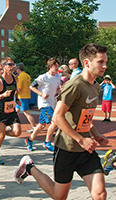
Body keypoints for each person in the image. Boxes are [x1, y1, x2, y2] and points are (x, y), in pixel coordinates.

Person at [15, 43, 109, 200]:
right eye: (101, 62)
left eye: (106, 62)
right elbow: (57, 117)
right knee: (59, 196)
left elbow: (85, 116)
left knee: (100, 194)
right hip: (67, 148)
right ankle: (29, 167)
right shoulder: (74, 85)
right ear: (86, 63)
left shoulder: (96, 87)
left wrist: (96, 134)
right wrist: (81, 139)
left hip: (86, 150)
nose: (105, 66)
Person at [0, 57, 22, 165]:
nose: (13, 67)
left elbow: (15, 90)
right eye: (10, 65)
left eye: (14, 65)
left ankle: (0, 134)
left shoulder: (15, 78)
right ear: (4, 66)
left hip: (10, 109)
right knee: (1, 137)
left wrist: (17, 99)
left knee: (17, 132)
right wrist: (2, 95)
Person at [25, 58, 61, 152]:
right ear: (50, 66)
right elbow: (31, 86)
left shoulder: (57, 77)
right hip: (44, 103)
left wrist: (60, 90)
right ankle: (47, 141)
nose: (57, 67)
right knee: (55, 121)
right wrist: (41, 94)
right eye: (55, 65)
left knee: (42, 125)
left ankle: (29, 140)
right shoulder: (43, 77)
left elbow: (57, 89)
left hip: (52, 102)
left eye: (58, 66)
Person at [15, 63, 36, 133]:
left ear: (18, 69)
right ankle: (13, 124)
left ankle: (34, 127)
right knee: (16, 111)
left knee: (26, 112)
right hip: (25, 95)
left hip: (22, 97)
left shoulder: (20, 76)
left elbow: (19, 88)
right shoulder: (27, 75)